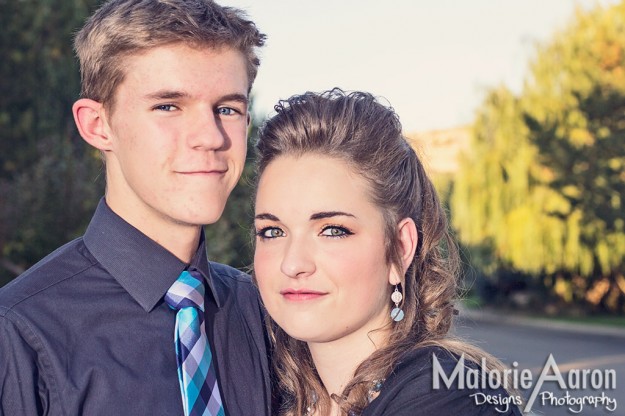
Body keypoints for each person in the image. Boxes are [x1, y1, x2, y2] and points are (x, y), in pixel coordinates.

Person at [0, 1, 270, 415]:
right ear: (97, 125)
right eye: (168, 106)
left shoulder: (266, 313)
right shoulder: (19, 333)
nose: (211, 137)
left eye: (228, 109)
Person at [252, 89, 524, 416]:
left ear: (399, 248)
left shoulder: (448, 398)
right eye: (272, 231)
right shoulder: (268, 395)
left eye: (332, 230)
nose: (292, 263)